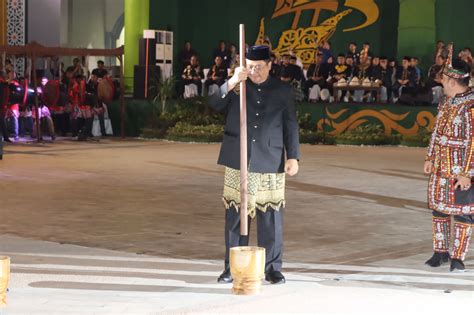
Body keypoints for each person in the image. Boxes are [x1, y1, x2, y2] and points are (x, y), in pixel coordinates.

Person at [209, 45, 300, 285]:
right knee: (236, 217)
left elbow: (290, 125)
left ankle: (272, 268)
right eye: (250, 67)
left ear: (270, 65)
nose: (255, 72)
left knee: (270, 217)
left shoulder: (282, 90)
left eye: (259, 67)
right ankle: (232, 267)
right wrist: (231, 81)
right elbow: (214, 103)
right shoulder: (238, 86)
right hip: (238, 158)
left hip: (270, 158)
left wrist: (293, 157)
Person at [424, 43, 473, 272]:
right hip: (441, 166)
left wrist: (467, 173)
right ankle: (440, 252)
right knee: (440, 209)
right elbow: (437, 131)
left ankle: (458, 257)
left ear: (453, 82)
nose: (441, 83)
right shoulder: (445, 102)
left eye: (444, 80)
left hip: (461, 170)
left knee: (463, 214)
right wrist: (430, 156)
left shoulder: (471, 106)